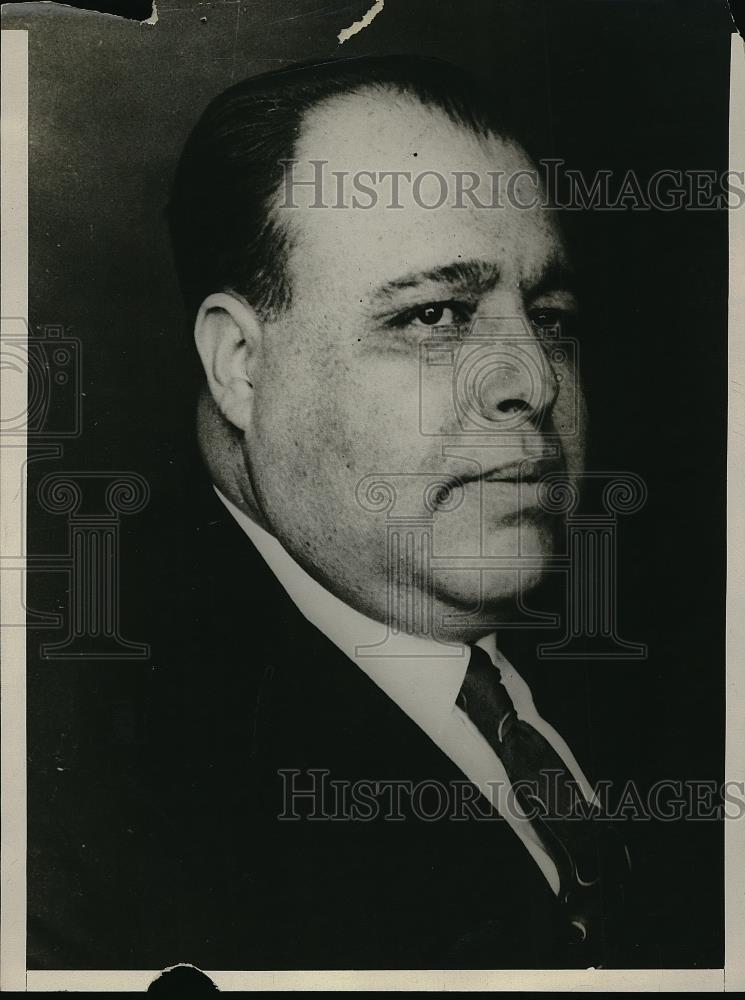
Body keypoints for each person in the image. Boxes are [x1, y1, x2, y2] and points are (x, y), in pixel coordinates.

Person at [28, 54, 661, 973]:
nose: (531, 379)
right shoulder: (96, 797)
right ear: (241, 365)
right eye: (434, 317)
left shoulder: (642, 683)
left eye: (550, 314)